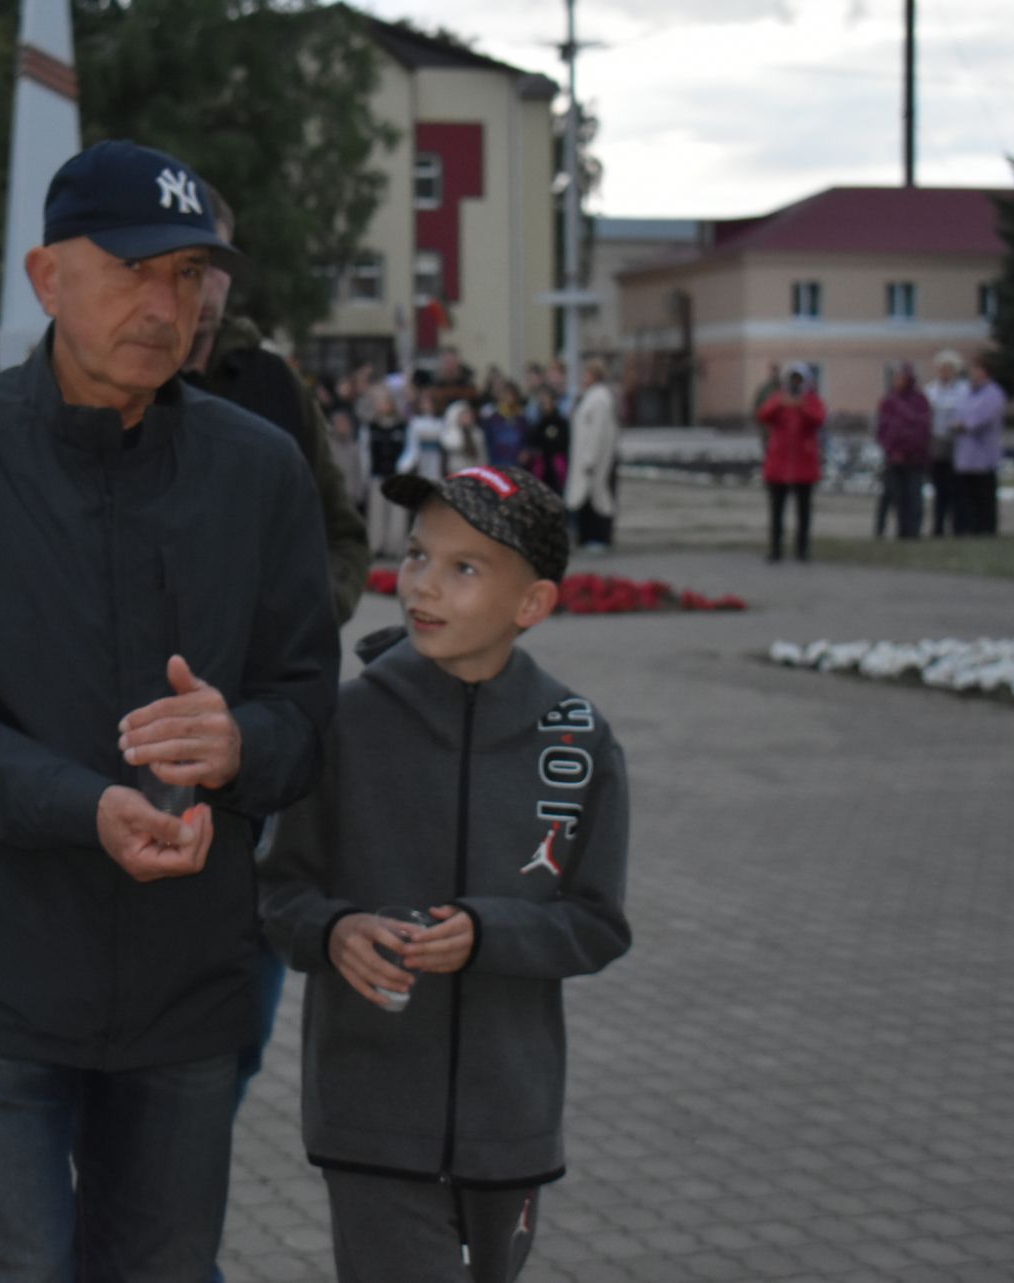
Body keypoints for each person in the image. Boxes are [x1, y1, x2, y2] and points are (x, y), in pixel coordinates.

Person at [0, 139, 339, 1283]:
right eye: (129, 269)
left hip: (188, 984)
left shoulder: (259, 470)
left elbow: (307, 707)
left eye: (185, 276)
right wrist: (86, 805)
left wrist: (242, 741)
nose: (163, 305)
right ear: (46, 276)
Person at [260, 463, 631, 1283]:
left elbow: (598, 921)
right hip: (370, 1118)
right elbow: (275, 891)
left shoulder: (578, 739)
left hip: (512, 1125)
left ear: (530, 605)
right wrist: (335, 930)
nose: (422, 583)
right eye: (420, 555)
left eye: (464, 568)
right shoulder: (346, 723)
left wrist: (490, 932)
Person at [179, 183, 369, 625]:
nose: (207, 285)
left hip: (263, 672)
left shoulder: (274, 382)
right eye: (190, 266)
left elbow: (339, 530)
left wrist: (317, 611)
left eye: (218, 262)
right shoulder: (121, 388)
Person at [756, 362, 826, 562]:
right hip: (779, 464)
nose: (795, 384)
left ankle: (802, 549)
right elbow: (763, 415)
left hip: (804, 463)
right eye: (792, 379)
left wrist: (802, 407)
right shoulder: (778, 399)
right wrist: (780, 403)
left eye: (798, 380)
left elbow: (820, 419)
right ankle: (776, 549)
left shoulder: (811, 400)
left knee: (803, 511)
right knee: (776, 511)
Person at [564, 359, 619, 551]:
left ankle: (599, 537)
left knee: (597, 496)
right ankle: (586, 536)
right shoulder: (589, 397)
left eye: (586, 374)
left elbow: (597, 431)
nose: (583, 378)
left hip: (593, 459)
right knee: (585, 498)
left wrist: (590, 458)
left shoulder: (600, 398)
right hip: (583, 457)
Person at [874, 363, 932, 540]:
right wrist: (891, 450)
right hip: (894, 458)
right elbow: (883, 429)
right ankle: (894, 530)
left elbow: (923, 428)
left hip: (915, 457)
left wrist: (912, 449)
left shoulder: (919, 401)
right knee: (894, 496)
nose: (897, 381)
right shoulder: (890, 401)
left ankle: (913, 531)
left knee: (913, 496)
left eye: (901, 377)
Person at [953, 353, 1007, 537]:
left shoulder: (993, 393)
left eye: (977, 369)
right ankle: (971, 526)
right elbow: (960, 412)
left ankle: (987, 527)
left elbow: (983, 417)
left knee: (984, 493)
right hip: (966, 453)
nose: (973, 373)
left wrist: (965, 424)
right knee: (968, 494)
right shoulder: (968, 392)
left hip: (983, 452)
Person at [362, 385, 413, 559]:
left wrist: (403, 466)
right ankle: (376, 545)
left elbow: (410, 449)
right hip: (377, 473)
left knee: (397, 513)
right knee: (377, 513)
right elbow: (365, 450)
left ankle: (395, 546)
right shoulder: (371, 427)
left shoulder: (402, 426)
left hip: (396, 475)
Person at [925, 350, 968, 537]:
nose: (945, 372)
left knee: (957, 487)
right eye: (942, 368)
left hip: (957, 442)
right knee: (939, 487)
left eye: (948, 368)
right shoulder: (931, 390)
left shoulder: (963, 390)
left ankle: (958, 524)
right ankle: (938, 525)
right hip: (937, 441)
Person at [522, 386, 570, 496]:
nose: (545, 405)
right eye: (543, 402)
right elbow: (533, 442)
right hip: (541, 470)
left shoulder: (561, 423)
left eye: (548, 401)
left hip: (556, 470)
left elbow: (561, 443)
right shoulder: (537, 423)